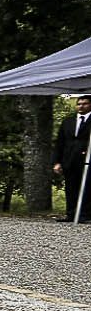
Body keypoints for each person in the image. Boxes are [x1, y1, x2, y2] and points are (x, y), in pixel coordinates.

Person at [52, 95, 91, 223]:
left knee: (86, 188)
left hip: (87, 160)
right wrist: (57, 162)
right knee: (70, 188)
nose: (81, 106)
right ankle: (71, 214)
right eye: (79, 104)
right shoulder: (68, 121)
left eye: (85, 104)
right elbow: (60, 142)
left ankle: (85, 215)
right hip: (69, 160)